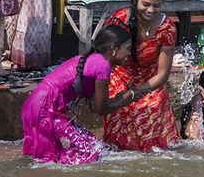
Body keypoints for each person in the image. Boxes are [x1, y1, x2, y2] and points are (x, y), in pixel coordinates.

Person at [21, 24, 135, 164]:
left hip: (35, 107)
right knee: (92, 155)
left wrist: (123, 96)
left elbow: (94, 107)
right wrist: (128, 97)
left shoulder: (94, 60)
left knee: (95, 149)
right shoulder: (102, 65)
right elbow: (102, 108)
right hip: (44, 110)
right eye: (128, 49)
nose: (129, 54)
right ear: (113, 47)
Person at [103, 0, 180, 151]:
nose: (151, 10)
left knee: (153, 107)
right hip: (120, 74)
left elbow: (163, 74)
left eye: (157, 6)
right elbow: (104, 56)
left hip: (151, 80)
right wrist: (128, 92)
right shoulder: (119, 20)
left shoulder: (167, 28)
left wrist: (139, 90)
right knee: (118, 103)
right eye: (146, 4)